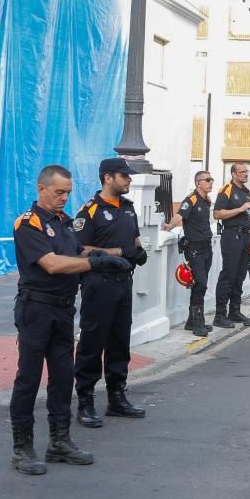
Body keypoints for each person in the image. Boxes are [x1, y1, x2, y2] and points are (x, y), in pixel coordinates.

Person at [9, 165, 131, 476]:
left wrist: (103, 256)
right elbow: (51, 264)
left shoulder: (64, 223)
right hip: (36, 310)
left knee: (63, 378)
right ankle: (22, 448)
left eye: (67, 192)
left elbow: (80, 250)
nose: (64, 198)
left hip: (63, 310)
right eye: (58, 192)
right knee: (29, 379)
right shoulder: (29, 223)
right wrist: (95, 265)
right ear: (42, 189)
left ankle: (59, 441)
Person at [72, 158, 149, 429]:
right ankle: (85, 400)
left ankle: (117, 396)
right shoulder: (90, 211)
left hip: (122, 282)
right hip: (98, 282)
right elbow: (79, 250)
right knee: (93, 340)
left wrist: (139, 251)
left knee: (119, 340)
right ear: (107, 178)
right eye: (123, 176)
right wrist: (118, 252)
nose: (129, 180)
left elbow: (135, 241)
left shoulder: (128, 209)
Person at [162, 171, 215, 336]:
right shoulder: (191, 199)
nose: (211, 182)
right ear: (199, 183)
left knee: (199, 285)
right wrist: (169, 227)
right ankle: (197, 322)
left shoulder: (206, 201)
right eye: (207, 180)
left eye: (211, 180)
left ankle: (192, 322)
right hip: (194, 249)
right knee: (201, 283)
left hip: (206, 247)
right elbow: (179, 216)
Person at [212, 163, 250, 328]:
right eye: (242, 172)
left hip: (246, 235)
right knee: (229, 275)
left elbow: (245, 212)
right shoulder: (226, 189)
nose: (246, 174)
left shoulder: (246, 191)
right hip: (232, 235)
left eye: (246, 171)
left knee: (240, 275)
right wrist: (239, 209)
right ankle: (220, 314)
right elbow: (217, 213)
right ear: (233, 174)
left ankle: (235, 311)